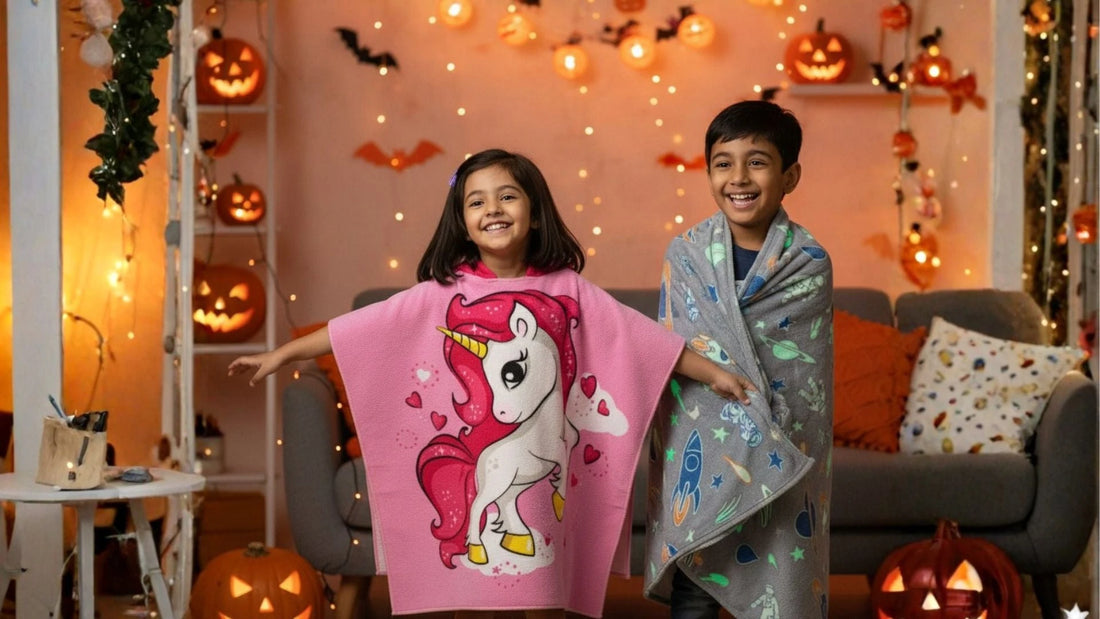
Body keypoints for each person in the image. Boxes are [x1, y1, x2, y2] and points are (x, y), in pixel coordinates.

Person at [229, 148, 755, 618]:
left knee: (544, 595)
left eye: (507, 196)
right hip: (493, 444)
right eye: (476, 202)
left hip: (552, 463)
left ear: (534, 210)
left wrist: (715, 375)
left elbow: (644, 342)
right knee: (471, 601)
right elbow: (357, 332)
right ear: (461, 221)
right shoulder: (439, 294)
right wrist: (281, 354)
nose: (493, 210)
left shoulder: (569, 290)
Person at [642, 100, 834, 619]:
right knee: (698, 579)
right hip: (703, 434)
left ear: (790, 175)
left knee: (779, 567)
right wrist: (718, 377)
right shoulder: (686, 253)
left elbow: (802, 370)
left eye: (758, 161)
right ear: (707, 173)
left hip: (780, 440)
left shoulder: (807, 261)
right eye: (723, 163)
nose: (739, 177)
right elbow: (671, 344)